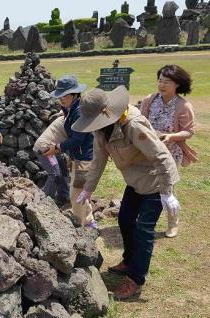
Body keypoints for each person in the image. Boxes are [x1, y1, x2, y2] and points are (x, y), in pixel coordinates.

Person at [73, 86, 179, 300]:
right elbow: (99, 160)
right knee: (125, 219)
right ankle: (129, 261)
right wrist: (87, 188)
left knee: (143, 229)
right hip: (134, 182)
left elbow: (162, 157)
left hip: (155, 182)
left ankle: (136, 279)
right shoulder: (102, 129)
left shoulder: (133, 124)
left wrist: (167, 192)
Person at [140, 64, 197, 238]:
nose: (162, 85)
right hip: (148, 152)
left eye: (167, 81)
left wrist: (171, 137)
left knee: (168, 188)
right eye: (160, 80)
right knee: (145, 186)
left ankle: (173, 223)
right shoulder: (150, 99)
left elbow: (189, 131)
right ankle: (145, 220)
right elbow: (141, 122)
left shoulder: (183, 106)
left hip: (171, 154)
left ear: (177, 84)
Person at [43, 75, 97, 228]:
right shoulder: (70, 109)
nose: (61, 98)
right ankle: (88, 221)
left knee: (76, 195)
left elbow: (77, 139)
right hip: (77, 156)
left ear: (75, 94)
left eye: (65, 95)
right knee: (80, 192)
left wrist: (57, 148)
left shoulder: (79, 111)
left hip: (84, 158)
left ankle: (81, 226)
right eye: (59, 95)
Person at [33, 113, 70, 206]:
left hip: (54, 149)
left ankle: (63, 197)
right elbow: (73, 141)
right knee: (55, 174)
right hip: (45, 148)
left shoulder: (69, 117)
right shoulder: (68, 121)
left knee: (64, 171)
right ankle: (44, 202)